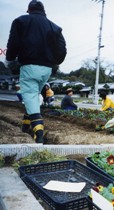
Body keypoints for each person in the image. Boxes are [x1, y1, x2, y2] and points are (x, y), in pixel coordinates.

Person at [5, 0, 67, 143]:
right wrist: (55, 61)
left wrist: (10, 57)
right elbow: (62, 49)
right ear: (43, 11)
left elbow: (13, 41)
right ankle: (25, 127)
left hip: (29, 66)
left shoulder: (21, 21)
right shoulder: (54, 26)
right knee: (32, 97)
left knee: (30, 95)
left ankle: (39, 134)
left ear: (29, 10)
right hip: (47, 69)